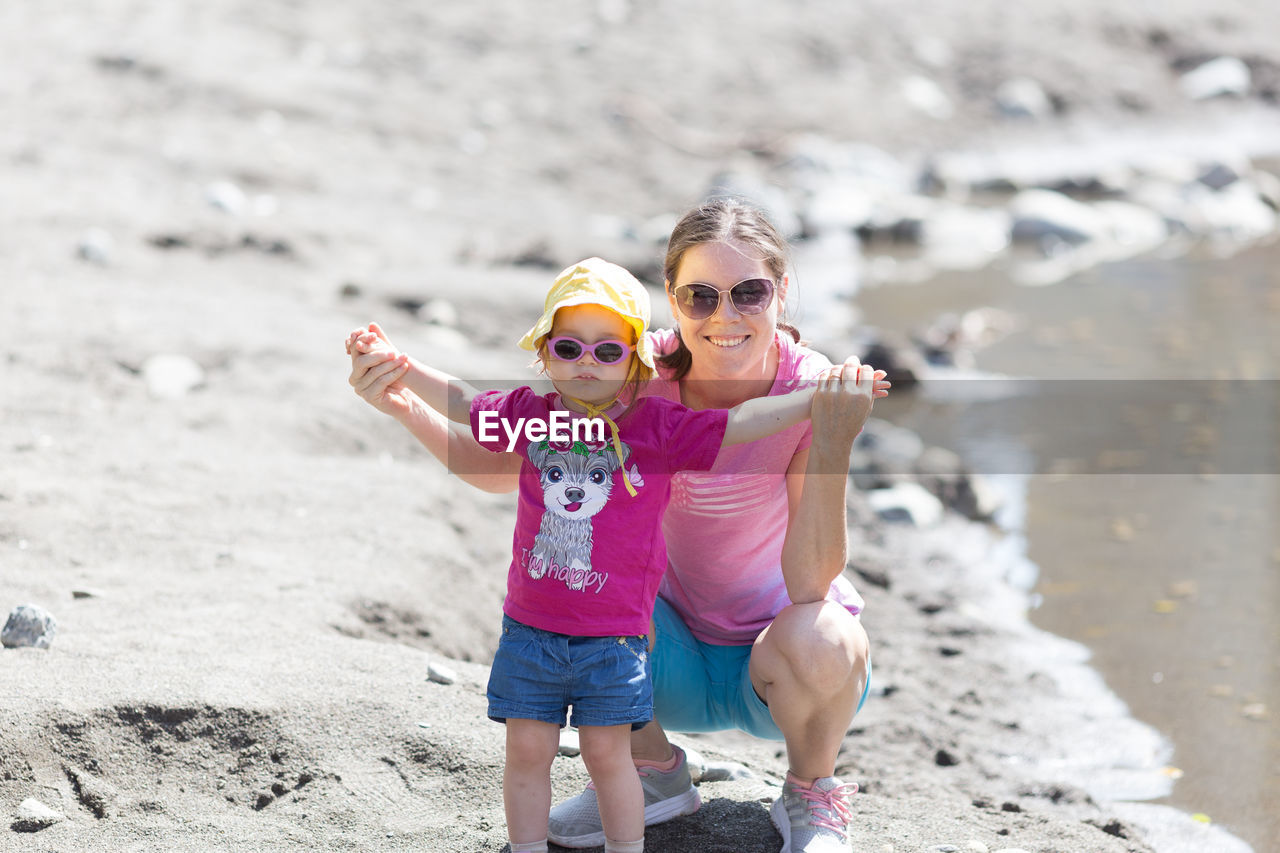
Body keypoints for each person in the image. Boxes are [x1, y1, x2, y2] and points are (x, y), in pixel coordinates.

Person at [347, 198, 888, 853]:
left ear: (780, 293)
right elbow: (509, 467)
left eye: (749, 293)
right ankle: (654, 773)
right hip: (658, 652)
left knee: (827, 633)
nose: (725, 316)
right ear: (670, 296)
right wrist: (402, 399)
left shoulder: (813, 390)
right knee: (577, 597)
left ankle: (809, 793)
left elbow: (809, 582)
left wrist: (830, 438)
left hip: (775, 661)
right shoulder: (629, 375)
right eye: (700, 296)